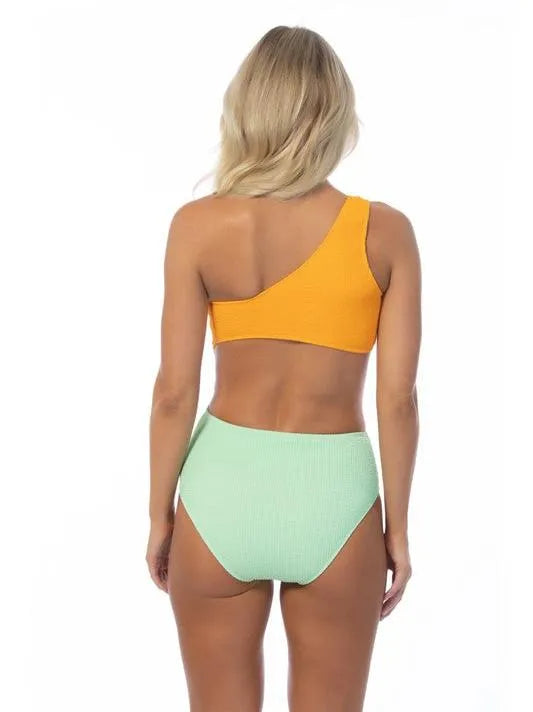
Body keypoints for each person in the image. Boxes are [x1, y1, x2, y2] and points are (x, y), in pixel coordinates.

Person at [146, 24, 421, 712]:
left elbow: (174, 392)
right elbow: (398, 400)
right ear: (335, 115)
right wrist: (396, 528)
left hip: (221, 491)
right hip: (335, 495)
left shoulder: (197, 226)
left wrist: (159, 515)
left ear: (246, 108)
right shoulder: (384, 233)